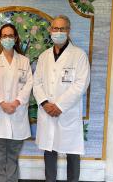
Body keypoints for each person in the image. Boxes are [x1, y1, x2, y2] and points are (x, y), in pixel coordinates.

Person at [33, 15, 90, 182]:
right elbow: (37, 83)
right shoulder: (44, 56)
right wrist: (45, 103)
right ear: (50, 30)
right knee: (49, 150)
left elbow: (81, 84)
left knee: (72, 151)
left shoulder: (78, 55)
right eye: (55, 29)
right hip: (47, 111)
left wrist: (59, 105)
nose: (58, 32)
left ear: (68, 31)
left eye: (62, 29)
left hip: (67, 112)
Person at [0, 23, 33, 182]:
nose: (7, 38)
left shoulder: (24, 61)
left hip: (17, 112)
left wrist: (16, 102)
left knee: (12, 155)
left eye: (11, 35)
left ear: (16, 38)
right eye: (4, 36)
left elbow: (28, 84)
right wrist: (2, 103)